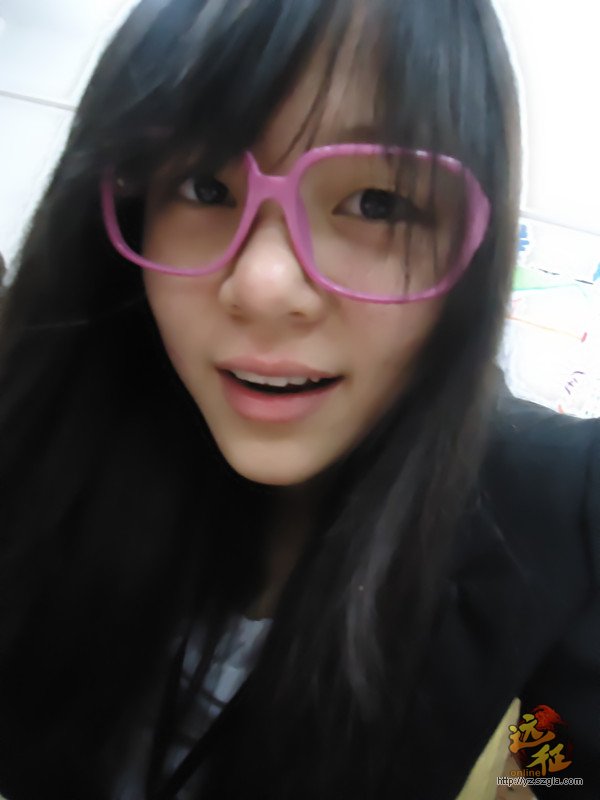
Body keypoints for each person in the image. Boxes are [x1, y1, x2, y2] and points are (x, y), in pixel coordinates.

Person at [0, 1, 597, 798]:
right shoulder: (47, 439)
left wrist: (538, 772)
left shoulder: (563, 517)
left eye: (377, 202)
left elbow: (561, 759)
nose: (263, 285)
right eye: (204, 186)